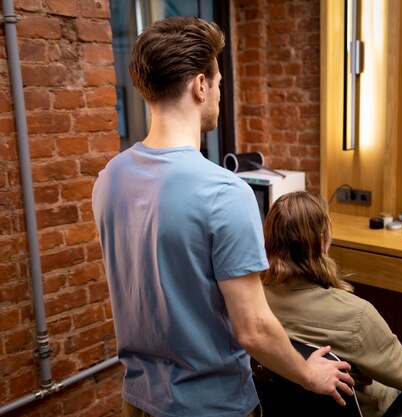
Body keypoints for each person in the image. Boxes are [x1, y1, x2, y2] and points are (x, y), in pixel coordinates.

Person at [92, 17, 353, 417]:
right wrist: (308, 374)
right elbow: (254, 329)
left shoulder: (109, 178)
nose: (217, 92)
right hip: (212, 407)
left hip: (139, 402)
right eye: (217, 83)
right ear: (200, 85)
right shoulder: (224, 193)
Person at [261, 191, 402, 417]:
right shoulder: (356, 315)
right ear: (323, 240)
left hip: (285, 406)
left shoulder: (252, 301)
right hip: (359, 407)